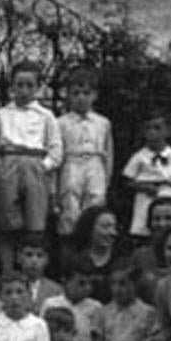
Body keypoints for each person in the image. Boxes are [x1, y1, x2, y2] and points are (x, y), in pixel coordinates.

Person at [0, 60, 62, 274]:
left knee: (35, 226)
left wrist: (43, 167)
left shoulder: (46, 116)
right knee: (7, 223)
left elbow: (56, 149)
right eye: (19, 85)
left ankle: (32, 275)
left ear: (38, 87)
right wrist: (1, 166)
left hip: (35, 165)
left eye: (29, 85)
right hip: (9, 163)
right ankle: (7, 272)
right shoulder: (1, 114)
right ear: (11, 86)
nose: (23, 91)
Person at [57, 68, 113, 236]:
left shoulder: (103, 123)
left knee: (95, 202)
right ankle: (70, 240)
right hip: (71, 162)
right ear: (68, 95)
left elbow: (108, 152)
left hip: (95, 163)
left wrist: (107, 177)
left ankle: (92, 240)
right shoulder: (61, 123)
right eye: (76, 93)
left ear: (94, 95)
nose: (81, 97)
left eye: (86, 93)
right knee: (70, 202)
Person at [123, 111, 171, 238]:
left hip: (168, 194)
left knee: (167, 225)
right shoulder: (139, 157)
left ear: (168, 131)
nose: (152, 133)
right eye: (148, 129)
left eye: (157, 128)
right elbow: (127, 180)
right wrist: (143, 187)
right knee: (144, 225)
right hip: (145, 195)